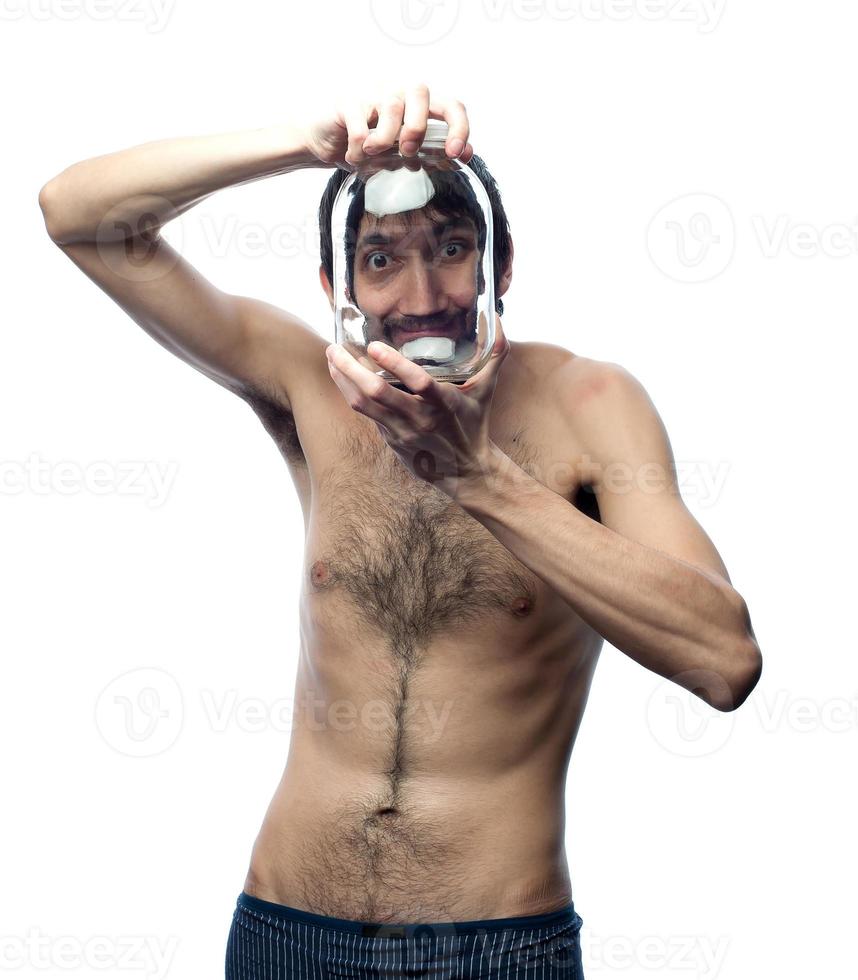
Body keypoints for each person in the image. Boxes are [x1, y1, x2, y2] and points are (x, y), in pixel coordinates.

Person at [38, 85, 763, 979]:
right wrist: (304, 145)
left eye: (453, 250)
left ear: (500, 267)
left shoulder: (592, 404)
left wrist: (483, 481)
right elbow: (76, 215)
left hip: (497, 949)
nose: (423, 296)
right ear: (335, 290)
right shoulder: (305, 382)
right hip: (286, 932)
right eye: (380, 260)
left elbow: (723, 660)